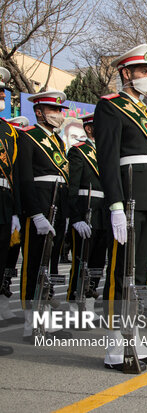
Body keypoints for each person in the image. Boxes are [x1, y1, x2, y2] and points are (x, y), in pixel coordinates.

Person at [94, 44, 147, 371]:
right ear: (126, 73)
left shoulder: (145, 113)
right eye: (144, 72)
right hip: (129, 195)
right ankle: (114, 346)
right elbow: (107, 160)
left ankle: (133, 336)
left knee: (137, 272)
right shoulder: (111, 106)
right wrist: (115, 205)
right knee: (120, 270)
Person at [18, 90, 72, 343]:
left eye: (60, 111)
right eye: (53, 110)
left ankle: (46, 319)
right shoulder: (29, 138)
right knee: (34, 263)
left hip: (58, 203)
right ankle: (31, 323)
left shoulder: (58, 142)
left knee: (49, 265)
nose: (59, 115)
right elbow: (25, 180)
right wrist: (35, 213)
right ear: (39, 111)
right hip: (40, 204)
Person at [65, 113, 107, 315]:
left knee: (98, 261)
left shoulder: (108, 153)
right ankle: (75, 302)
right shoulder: (78, 152)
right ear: (89, 129)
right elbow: (72, 187)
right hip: (86, 210)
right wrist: (75, 218)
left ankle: (89, 303)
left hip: (104, 213)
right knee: (82, 260)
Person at [0, 67, 20, 355]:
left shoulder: (8, 130)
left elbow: (14, 172)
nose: (2, 95)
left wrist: (15, 209)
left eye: (2, 91)